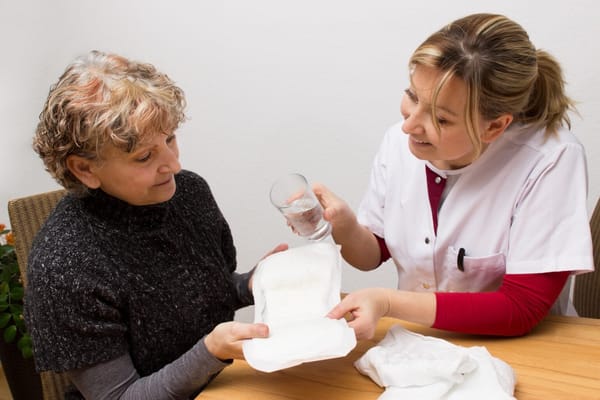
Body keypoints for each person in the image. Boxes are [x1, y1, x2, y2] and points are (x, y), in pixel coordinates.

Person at [25, 50, 287, 399]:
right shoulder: (64, 267)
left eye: (170, 139)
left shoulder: (188, 194)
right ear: (85, 169)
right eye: (145, 157)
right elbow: (120, 396)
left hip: (221, 386)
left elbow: (198, 299)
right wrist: (210, 352)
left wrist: (251, 285)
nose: (173, 165)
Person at [318, 13, 594, 339]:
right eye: (413, 96)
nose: (409, 124)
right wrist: (346, 227)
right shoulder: (401, 141)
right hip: (420, 344)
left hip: (526, 351)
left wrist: (389, 302)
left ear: (494, 126)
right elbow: (374, 252)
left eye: (440, 118)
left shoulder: (550, 158)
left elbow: (522, 307)